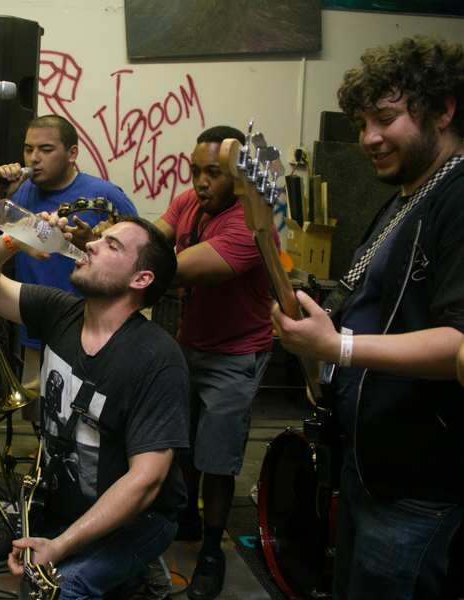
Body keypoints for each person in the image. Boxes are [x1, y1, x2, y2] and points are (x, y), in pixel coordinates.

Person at [272, 35, 464, 600]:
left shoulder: (457, 197)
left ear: (443, 109)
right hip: (369, 472)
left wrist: (339, 347)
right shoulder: (408, 197)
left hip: (418, 492)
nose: (369, 139)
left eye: (385, 118)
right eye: (361, 124)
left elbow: (458, 342)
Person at [0, 214, 189, 600]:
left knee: (62, 588)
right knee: (33, 583)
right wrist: (15, 240)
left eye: (111, 245)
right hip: (63, 504)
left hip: (138, 519)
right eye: (99, 238)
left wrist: (60, 546)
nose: (91, 244)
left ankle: (129, 568)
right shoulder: (58, 311)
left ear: (141, 279)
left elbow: (146, 481)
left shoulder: (158, 360)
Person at [93, 126, 277, 600]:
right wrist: (103, 239)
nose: (200, 182)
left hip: (235, 354)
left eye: (213, 173)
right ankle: (189, 520)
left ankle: (212, 550)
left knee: (217, 459)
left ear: (240, 176)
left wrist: (113, 260)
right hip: (189, 344)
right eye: (195, 170)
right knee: (183, 445)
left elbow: (171, 268)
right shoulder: (188, 201)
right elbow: (152, 240)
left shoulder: (250, 224)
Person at [0, 115, 138, 420]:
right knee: (41, 422)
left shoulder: (105, 195)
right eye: (28, 149)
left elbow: (139, 258)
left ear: (72, 153)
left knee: (89, 421)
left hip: (93, 334)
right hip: (37, 330)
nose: (33, 158)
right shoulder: (18, 193)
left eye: (46, 149)